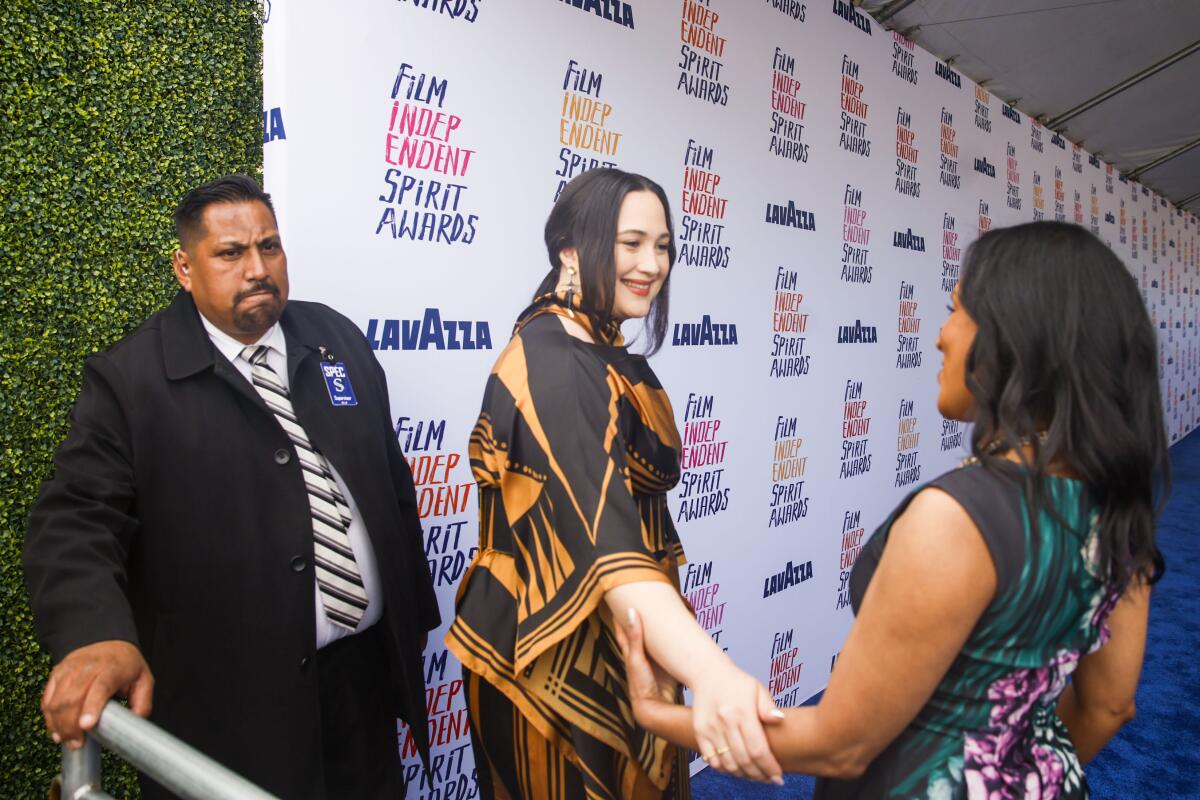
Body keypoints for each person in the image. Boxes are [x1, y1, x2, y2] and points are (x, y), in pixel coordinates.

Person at [617, 221, 1169, 798]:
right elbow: (1109, 706)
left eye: (958, 311)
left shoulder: (957, 518)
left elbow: (841, 742)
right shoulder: (1116, 509)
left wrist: (658, 716)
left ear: (1013, 339)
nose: (941, 336)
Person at [24, 174, 440, 799]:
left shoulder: (338, 339)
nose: (257, 269)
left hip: (363, 691)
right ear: (184, 268)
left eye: (269, 247)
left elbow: (389, 487)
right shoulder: (131, 380)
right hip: (233, 716)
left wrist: (411, 623)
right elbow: (75, 520)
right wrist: (93, 633)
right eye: (230, 253)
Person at [445, 168, 785, 799]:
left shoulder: (600, 347)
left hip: (627, 633)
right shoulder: (553, 363)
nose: (652, 264)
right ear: (569, 249)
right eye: (631, 243)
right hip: (548, 661)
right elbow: (607, 552)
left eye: (662, 246)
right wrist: (713, 673)